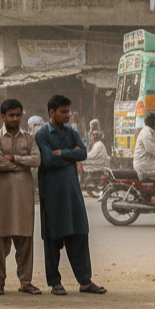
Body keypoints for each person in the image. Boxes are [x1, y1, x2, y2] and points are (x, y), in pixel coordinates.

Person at [36, 94, 106, 295]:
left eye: (68, 111)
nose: (67, 115)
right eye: (63, 112)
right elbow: (48, 160)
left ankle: (85, 282)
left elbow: (83, 153)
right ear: (52, 112)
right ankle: (55, 283)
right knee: (53, 239)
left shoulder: (71, 132)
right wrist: (70, 154)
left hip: (73, 194)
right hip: (52, 194)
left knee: (80, 234)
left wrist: (62, 152)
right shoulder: (42, 135)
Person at [0, 99, 42, 295]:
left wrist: (16, 158)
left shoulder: (29, 138)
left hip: (24, 197)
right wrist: (23, 164)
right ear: (3, 116)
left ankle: (25, 282)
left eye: (18, 115)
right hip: (2, 196)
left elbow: (37, 160)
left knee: (25, 240)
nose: (15, 118)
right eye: (11, 115)